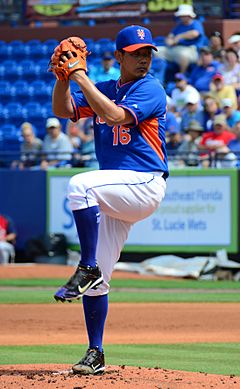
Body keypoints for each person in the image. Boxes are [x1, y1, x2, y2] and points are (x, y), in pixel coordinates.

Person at [51, 25, 168, 375]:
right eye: (136, 52)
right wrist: (63, 79)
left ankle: (84, 266)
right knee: (101, 280)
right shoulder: (104, 88)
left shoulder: (151, 88)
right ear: (119, 56)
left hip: (145, 181)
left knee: (79, 185)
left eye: (147, 52)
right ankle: (95, 353)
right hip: (119, 190)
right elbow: (63, 110)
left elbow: (116, 115)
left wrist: (80, 76)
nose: (144, 57)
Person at [154, 4, 206, 73]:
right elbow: (170, 36)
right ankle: (158, 74)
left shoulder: (196, 23)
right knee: (156, 51)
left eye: (183, 16)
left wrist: (179, 37)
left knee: (182, 55)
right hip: (176, 48)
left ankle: (182, 76)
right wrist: (169, 41)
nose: (181, 17)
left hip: (192, 50)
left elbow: (195, 33)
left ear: (189, 16)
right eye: (181, 16)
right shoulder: (179, 26)